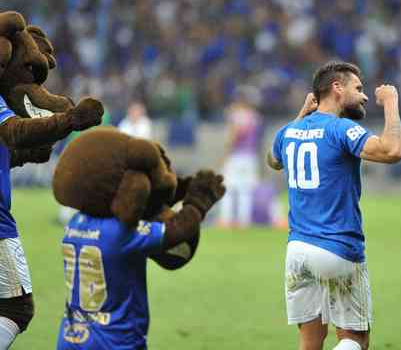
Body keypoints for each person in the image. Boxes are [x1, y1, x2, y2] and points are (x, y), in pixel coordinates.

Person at [267, 61, 401, 350]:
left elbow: (273, 159)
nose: (365, 96)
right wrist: (391, 103)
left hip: (297, 252)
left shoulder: (289, 132)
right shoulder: (341, 129)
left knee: (310, 342)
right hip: (337, 249)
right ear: (337, 88)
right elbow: (392, 151)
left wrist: (302, 116)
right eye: (358, 88)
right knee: (355, 339)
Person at [56, 170, 224, 349]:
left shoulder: (75, 222)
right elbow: (177, 231)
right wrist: (198, 203)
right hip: (116, 340)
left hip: (71, 337)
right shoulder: (121, 231)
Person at [216, 91, 263, 228]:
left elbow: (233, 136)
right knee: (245, 191)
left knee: (228, 188)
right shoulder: (255, 117)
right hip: (251, 156)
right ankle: (244, 221)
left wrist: (224, 156)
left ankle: (226, 219)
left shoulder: (237, 116)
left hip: (236, 156)